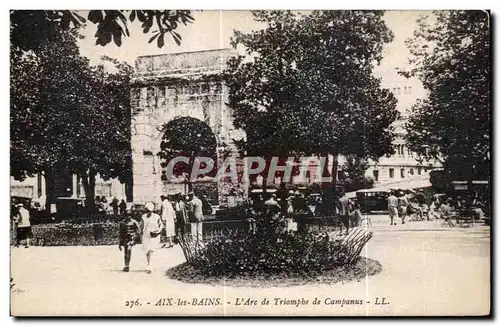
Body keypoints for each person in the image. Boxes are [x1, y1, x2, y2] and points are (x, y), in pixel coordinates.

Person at [141, 202, 164, 274]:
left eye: (149, 210)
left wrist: (158, 231)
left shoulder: (157, 216)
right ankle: (149, 264)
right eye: (146, 210)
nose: (147, 212)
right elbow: (141, 226)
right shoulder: (143, 217)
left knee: (151, 250)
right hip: (146, 235)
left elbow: (161, 225)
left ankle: (149, 266)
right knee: (147, 250)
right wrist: (139, 234)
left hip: (154, 235)